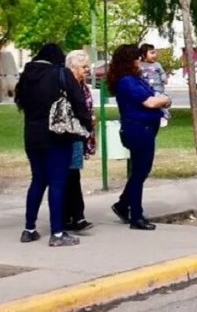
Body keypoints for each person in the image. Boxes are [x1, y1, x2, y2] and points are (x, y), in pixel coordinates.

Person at [14, 44, 93, 247]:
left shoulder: (26, 76)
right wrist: (86, 123)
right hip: (57, 135)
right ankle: (57, 233)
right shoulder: (60, 73)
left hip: (32, 136)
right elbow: (78, 102)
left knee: (38, 180)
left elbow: (20, 102)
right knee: (57, 182)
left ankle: (29, 229)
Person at [108, 44, 171, 230]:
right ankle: (136, 215)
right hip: (138, 130)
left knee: (140, 171)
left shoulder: (136, 79)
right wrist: (166, 100)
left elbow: (153, 94)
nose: (139, 63)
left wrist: (161, 99)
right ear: (129, 62)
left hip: (146, 129)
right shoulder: (127, 81)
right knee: (139, 172)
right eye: (136, 59)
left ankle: (122, 204)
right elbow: (151, 101)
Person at [63, 50, 97, 232]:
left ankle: (72, 216)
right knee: (71, 175)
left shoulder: (82, 86)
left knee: (73, 175)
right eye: (84, 67)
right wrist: (87, 118)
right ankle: (75, 216)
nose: (87, 70)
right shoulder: (68, 85)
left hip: (81, 134)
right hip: (71, 134)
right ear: (73, 67)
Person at [138, 44, 170, 127]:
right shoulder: (139, 65)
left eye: (155, 53)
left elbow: (162, 72)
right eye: (152, 53)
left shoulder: (157, 65)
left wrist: (164, 78)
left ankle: (165, 116)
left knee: (161, 99)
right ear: (143, 55)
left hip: (158, 88)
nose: (154, 55)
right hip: (146, 89)